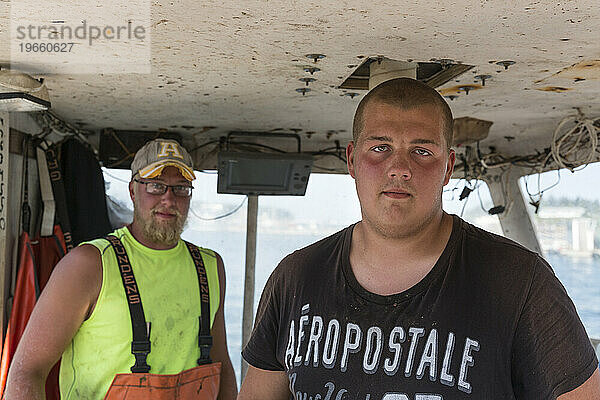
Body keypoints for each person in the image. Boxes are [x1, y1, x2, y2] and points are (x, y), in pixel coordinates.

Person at [238, 78, 600, 399]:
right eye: (380, 148)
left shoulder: (519, 284)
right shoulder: (295, 278)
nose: (400, 167)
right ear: (352, 160)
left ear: (447, 167)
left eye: (422, 151)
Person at [6, 139, 238, 399]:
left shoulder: (209, 266)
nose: (168, 198)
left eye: (181, 188)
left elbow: (223, 367)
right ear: (132, 191)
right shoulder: (89, 264)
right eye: (156, 186)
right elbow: (26, 372)